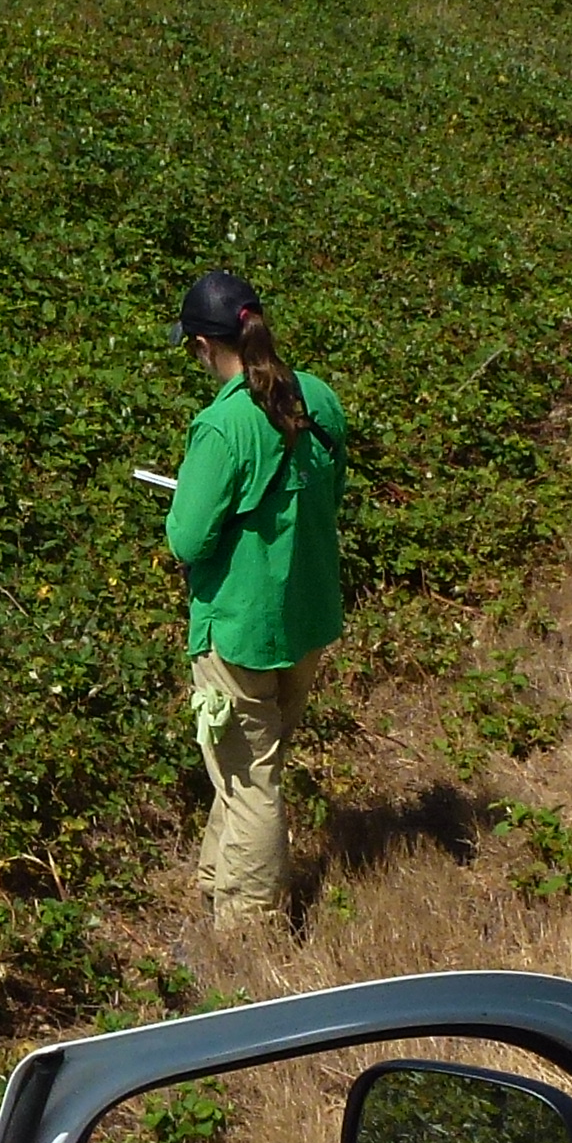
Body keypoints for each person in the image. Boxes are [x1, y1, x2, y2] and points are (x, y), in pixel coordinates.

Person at [161, 266, 346, 929]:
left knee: (250, 782)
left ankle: (248, 927)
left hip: (238, 630)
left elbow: (187, 539)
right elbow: (331, 491)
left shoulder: (222, 425)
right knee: (249, 768)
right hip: (306, 617)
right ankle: (217, 881)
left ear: (204, 346)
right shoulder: (317, 398)